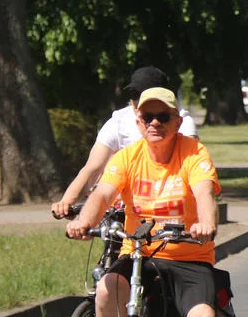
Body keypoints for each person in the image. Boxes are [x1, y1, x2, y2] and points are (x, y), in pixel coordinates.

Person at [65, 87, 220, 317]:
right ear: (138, 121)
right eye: (148, 117)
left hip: (188, 256)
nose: (155, 123)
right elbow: (103, 194)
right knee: (106, 290)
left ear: (177, 121)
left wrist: (206, 223)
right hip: (139, 254)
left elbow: (204, 193)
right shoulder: (128, 156)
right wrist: (84, 221)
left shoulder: (193, 153)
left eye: (163, 117)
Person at [52, 66, 198, 219]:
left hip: (166, 201)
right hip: (120, 203)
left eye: (143, 94)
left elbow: (192, 168)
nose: (136, 101)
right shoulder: (119, 121)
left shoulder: (179, 121)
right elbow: (93, 168)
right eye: (133, 94)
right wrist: (67, 202)